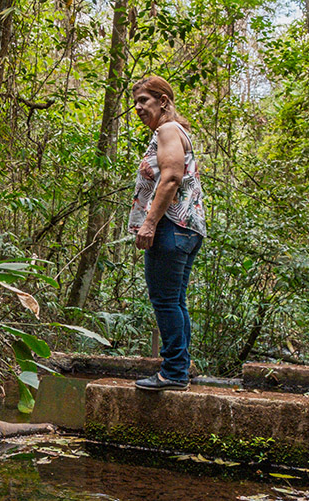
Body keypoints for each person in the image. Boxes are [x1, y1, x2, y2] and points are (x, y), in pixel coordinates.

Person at [128, 76, 206, 391]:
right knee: (175, 300)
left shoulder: (168, 130)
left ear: (162, 101)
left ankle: (173, 372)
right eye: (135, 102)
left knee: (164, 300)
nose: (137, 108)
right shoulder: (174, 132)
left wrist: (149, 223)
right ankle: (181, 366)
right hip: (186, 228)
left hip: (171, 227)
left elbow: (171, 177)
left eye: (144, 100)